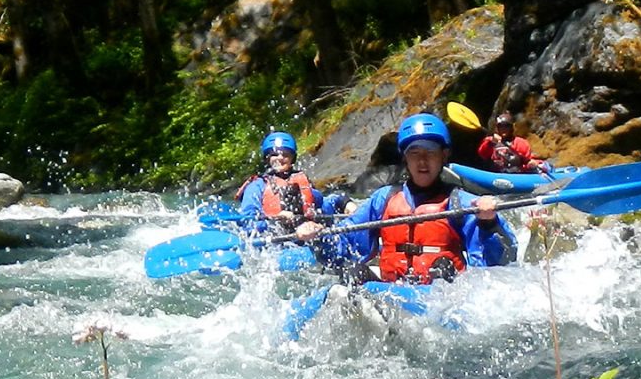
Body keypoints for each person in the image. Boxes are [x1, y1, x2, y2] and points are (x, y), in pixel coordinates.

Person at [299, 113, 516, 283]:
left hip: (440, 296)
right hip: (392, 291)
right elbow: (346, 247)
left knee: (442, 268)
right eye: (415, 152)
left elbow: (497, 265)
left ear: (444, 155)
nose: (422, 161)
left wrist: (489, 223)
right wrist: (318, 237)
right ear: (405, 157)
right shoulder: (384, 199)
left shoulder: (461, 202)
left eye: (430, 152)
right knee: (353, 273)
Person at [236, 132, 325, 234]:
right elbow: (248, 221)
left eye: (285, 154)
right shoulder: (257, 186)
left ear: (292, 159)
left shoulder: (301, 181)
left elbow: (323, 204)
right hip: (276, 241)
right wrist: (275, 220)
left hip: (308, 233)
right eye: (274, 154)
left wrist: (343, 202)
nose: (280, 158)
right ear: (267, 159)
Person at [477, 112, 554, 175]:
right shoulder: (490, 141)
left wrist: (531, 165)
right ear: (497, 128)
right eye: (500, 126)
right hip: (495, 174)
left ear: (511, 127)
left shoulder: (521, 143)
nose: (503, 129)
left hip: (516, 175)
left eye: (506, 126)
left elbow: (527, 161)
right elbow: (482, 154)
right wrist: (491, 143)